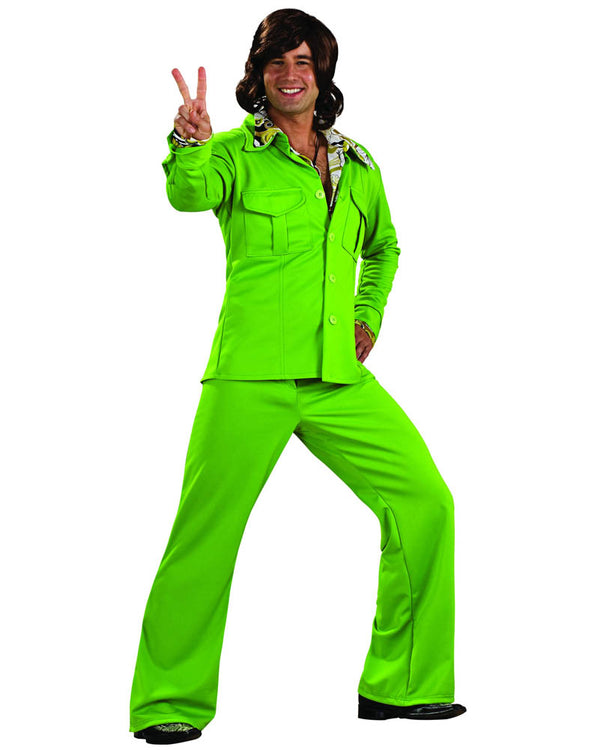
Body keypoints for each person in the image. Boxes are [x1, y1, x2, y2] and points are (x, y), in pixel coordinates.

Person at [129, 8, 466, 745]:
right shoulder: (232, 154)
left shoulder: (359, 163)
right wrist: (188, 143)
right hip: (249, 376)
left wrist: (367, 317)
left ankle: (403, 685)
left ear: (322, 74)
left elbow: (384, 247)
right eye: (277, 61)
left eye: (303, 61)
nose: (290, 74)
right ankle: (167, 701)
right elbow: (188, 195)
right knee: (206, 534)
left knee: (425, 502)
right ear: (259, 74)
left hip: (336, 376)